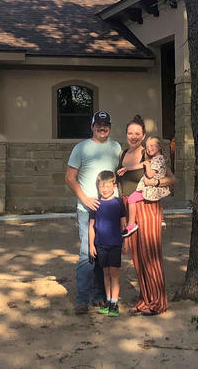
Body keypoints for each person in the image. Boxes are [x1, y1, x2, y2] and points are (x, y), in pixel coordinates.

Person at [116, 114, 175, 316]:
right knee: (138, 258)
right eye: (130, 133)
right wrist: (123, 219)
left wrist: (155, 183)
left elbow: (171, 179)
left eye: (137, 133)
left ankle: (158, 303)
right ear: (126, 134)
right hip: (129, 207)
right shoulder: (122, 154)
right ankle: (145, 300)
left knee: (151, 255)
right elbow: (120, 186)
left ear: (143, 136)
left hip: (147, 206)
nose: (133, 136)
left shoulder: (148, 155)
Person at [65, 110, 122, 315]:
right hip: (87, 209)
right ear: (92, 126)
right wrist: (85, 198)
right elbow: (70, 177)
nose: (102, 127)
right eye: (98, 124)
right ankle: (82, 299)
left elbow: (119, 174)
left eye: (105, 124)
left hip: (109, 210)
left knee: (103, 253)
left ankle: (100, 296)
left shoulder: (116, 147)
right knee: (86, 254)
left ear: (109, 127)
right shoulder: (81, 148)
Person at [89, 171, 127, 317]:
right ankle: (108, 301)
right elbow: (92, 226)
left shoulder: (118, 202)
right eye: (101, 186)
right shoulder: (96, 205)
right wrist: (91, 245)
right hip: (101, 244)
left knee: (114, 274)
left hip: (115, 244)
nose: (104, 189)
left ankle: (114, 304)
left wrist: (126, 242)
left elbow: (124, 225)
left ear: (114, 186)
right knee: (105, 274)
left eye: (107, 186)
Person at [121, 135, 171, 237]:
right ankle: (161, 220)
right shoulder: (155, 159)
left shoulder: (157, 160)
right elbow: (139, 165)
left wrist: (147, 165)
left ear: (159, 146)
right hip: (151, 187)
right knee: (156, 203)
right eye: (147, 147)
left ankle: (131, 224)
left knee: (131, 199)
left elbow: (150, 174)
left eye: (152, 145)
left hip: (150, 188)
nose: (149, 149)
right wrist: (127, 168)